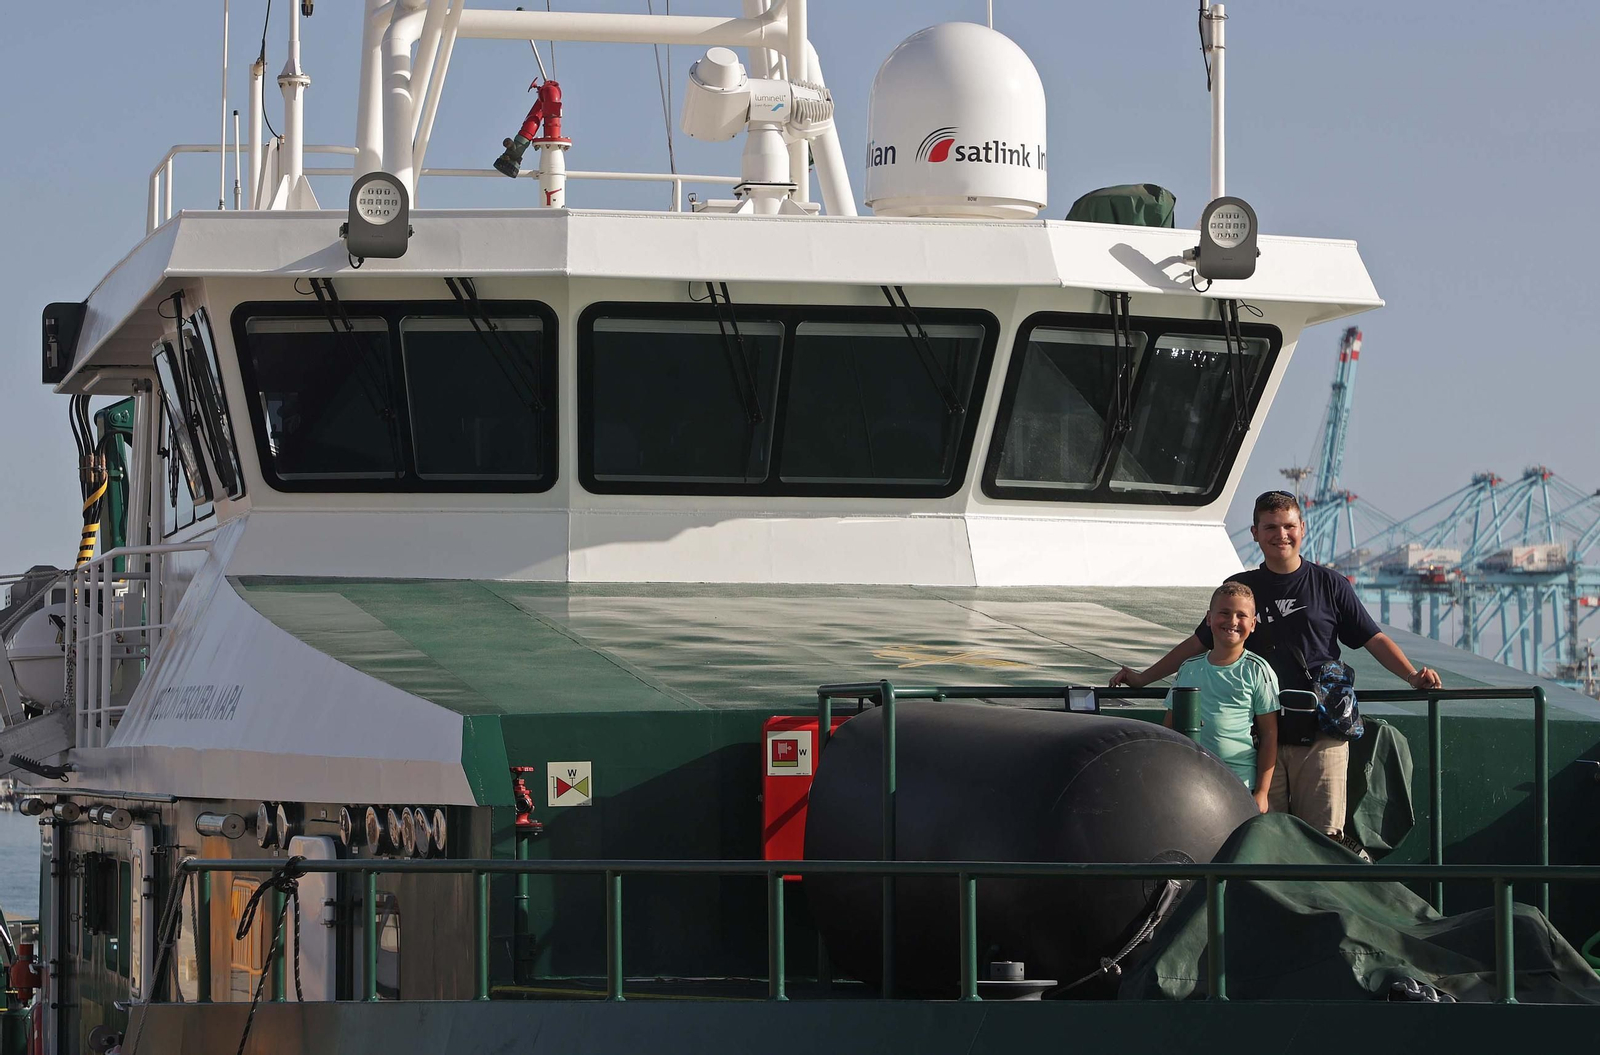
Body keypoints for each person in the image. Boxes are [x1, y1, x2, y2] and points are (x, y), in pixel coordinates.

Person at [1113, 490, 1442, 840]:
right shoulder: (1243, 589)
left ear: (1302, 527)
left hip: (1320, 734)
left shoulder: (1330, 585)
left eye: (1288, 526)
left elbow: (1372, 638)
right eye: (1270, 527)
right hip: (1260, 738)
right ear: (1255, 532)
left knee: (1323, 839)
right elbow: (1199, 642)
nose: (1280, 535)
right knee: (1268, 837)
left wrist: (1411, 675)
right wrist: (1144, 677)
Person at [1163, 582, 1280, 813]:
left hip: (1239, 783)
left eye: (1241, 615)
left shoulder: (1257, 670)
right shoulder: (1188, 669)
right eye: (1224, 613)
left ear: (1253, 624)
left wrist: (1262, 793)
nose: (1232, 621)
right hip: (1190, 781)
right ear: (1209, 618)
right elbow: (1169, 728)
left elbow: (1269, 734)